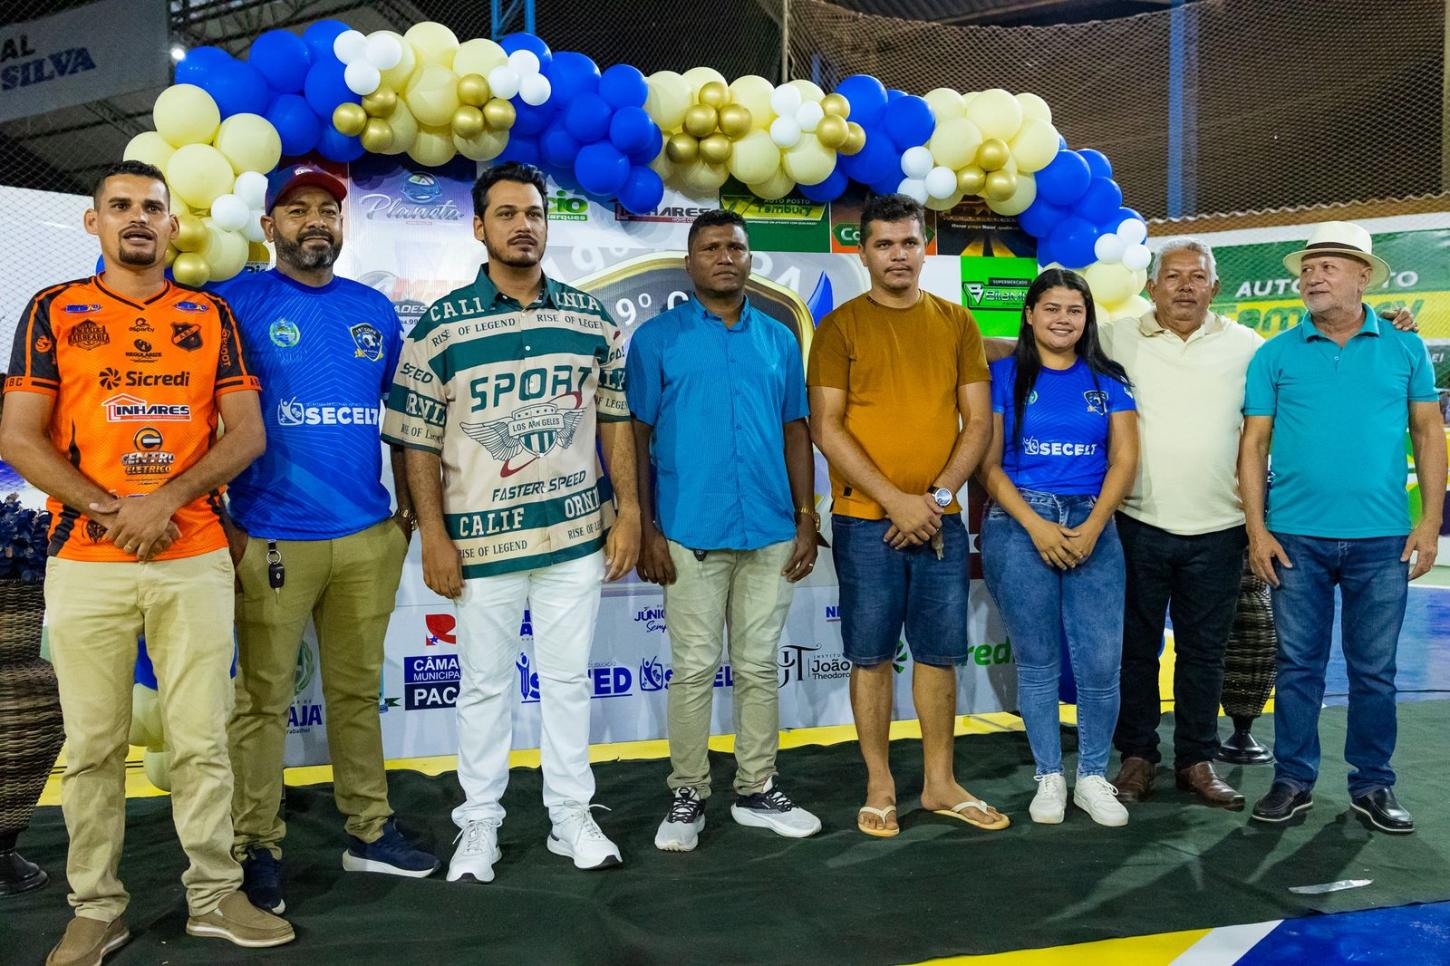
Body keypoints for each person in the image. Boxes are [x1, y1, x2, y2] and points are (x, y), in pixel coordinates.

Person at [0, 160, 293, 963]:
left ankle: (215, 894)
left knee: (202, 739)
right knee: (94, 747)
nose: (138, 217)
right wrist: (111, 509)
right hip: (85, 558)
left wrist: (164, 501)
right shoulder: (53, 309)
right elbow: (18, 436)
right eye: (120, 205)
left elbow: (247, 434)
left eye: (152, 207)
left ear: (172, 225)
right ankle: (96, 908)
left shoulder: (209, 314)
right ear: (93, 222)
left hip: (193, 554)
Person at [383, 162, 641, 882]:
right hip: (479, 545)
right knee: (483, 687)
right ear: (479, 227)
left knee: (567, 682)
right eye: (506, 214)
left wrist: (628, 511)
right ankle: (479, 823)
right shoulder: (441, 324)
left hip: (574, 538)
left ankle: (570, 817)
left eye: (533, 213)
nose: (523, 225)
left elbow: (616, 421)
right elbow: (416, 441)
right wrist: (434, 536)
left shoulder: (590, 318)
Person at [215, 161, 438, 914]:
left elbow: (405, 421)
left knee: (355, 694)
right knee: (261, 702)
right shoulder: (233, 303)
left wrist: (407, 519)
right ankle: (256, 845)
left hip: (368, 537)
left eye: (327, 210)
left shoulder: (373, 308)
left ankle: (370, 830)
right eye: (298, 209)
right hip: (270, 536)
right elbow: (201, 415)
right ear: (268, 225)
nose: (316, 221)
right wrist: (223, 521)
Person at [808, 193, 1006, 838]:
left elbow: (978, 423)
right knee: (870, 656)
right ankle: (880, 784)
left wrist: (938, 500)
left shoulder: (957, 323)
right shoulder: (839, 328)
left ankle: (940, 783)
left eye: (909, 242)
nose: (898, 254)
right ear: (863, 252)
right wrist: (896, 501)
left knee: (938, 654)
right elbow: (826, 427)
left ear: (925, 249)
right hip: (866, 520)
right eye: (885, 244)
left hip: (940, 520)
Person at [1240, 221, 1444, 834]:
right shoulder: (1273, 354)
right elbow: (1253, 444)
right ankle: (1293, 780)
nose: (1312, 277)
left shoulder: (1405, 347)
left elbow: (1428, 433)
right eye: (1307, 269)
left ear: (1363, 277)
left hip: (1383, 539)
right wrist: (1257, 530)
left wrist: (1429, 522)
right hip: (1293, 538)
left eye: (1328, 266)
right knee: (1297, 667)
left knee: (1375, 672)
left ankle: (1373, 784)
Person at [628, 209, 821, 852]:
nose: (724, 257)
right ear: (690, 262)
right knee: (692, 670)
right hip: (688, 532)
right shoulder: (657, 339)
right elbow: (635, 436)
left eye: (735, 247)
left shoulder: (779, 339)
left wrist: (806, 517)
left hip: (770, 529)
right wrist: (647, 528)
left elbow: (796, 429)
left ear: (749, 258)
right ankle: (687, 793)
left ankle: (757, 789)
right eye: (710, 248)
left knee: (760, 666)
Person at [1099, 240, 1261, 809]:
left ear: (1215, 288)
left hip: (1221, 529)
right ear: (1152, 286)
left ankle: (1197, 760)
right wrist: (961, 340)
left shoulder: (1248, 346)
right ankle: (1137, 757)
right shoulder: (1114, 337)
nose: (1185, 286)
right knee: (1135, 651)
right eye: (1173, 276)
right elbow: (1042, 346)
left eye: (1197, 276)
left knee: (1205, 653)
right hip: (1137, 524)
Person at [978, 269, 1138, 826]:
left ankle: (1092, 776)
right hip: (1021, 521)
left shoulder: (1109, 378)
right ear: (1029, 315)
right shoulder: (1003, 375)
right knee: (1038, 660)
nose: (1063, 319)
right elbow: (987, 464)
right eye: (1051, 308)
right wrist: (1037, 527)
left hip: (1095, 520)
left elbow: (1124, 460)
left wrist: (1093, 526)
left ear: (1087, 318)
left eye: (1075, 309)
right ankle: (1049, 775)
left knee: (1100, 661)